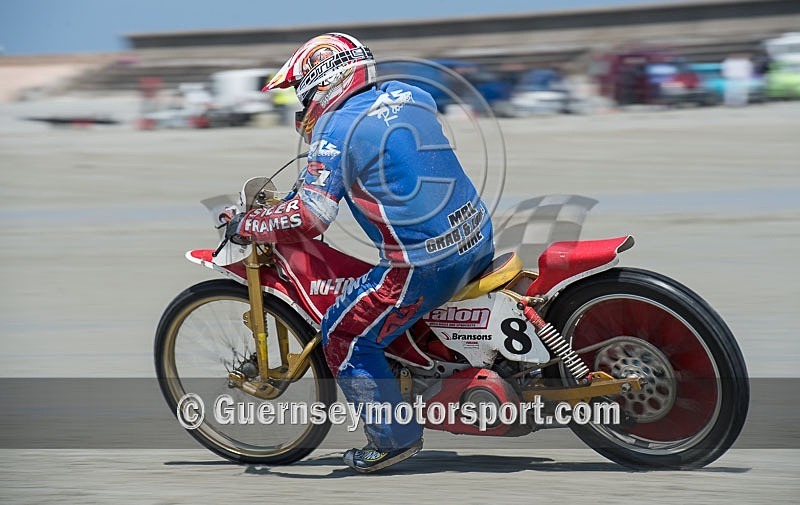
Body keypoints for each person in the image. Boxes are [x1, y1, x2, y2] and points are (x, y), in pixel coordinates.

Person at [226, 33, 494, 472]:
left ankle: (392, 439)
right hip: (476, 235)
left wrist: (248, 224)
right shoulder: (413, 94)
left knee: (343, 335)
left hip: (424, 265)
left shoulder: (338, 127)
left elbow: (311, 217)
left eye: (301, 93)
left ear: (321, 81)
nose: (301, 106)